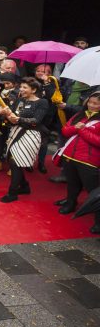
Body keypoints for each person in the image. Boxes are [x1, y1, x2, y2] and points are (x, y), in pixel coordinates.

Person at [0, 77, 49, 203]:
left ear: (34, 89)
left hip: (31, 135)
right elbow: (12, 116)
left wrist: (18, 120)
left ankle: (12, 193)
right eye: (21, 87)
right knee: (13, 161)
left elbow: (36, 121)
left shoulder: (42, 102)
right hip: (15, 132)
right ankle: (25, 187)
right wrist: (7, 116)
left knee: (16, 162)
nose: (21, 89)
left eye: (25, 87)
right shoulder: (19, 100)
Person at [55, 91, 100, 233]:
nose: (91, 106)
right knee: (72, 183)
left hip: (89, 161)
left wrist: (82, 131)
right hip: (70, 156)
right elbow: (65, 131)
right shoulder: (80, 115)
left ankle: (98, 221)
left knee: (93, 191)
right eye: (90, 102)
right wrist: (76, 127)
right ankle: (70, 203)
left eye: (96, 103)